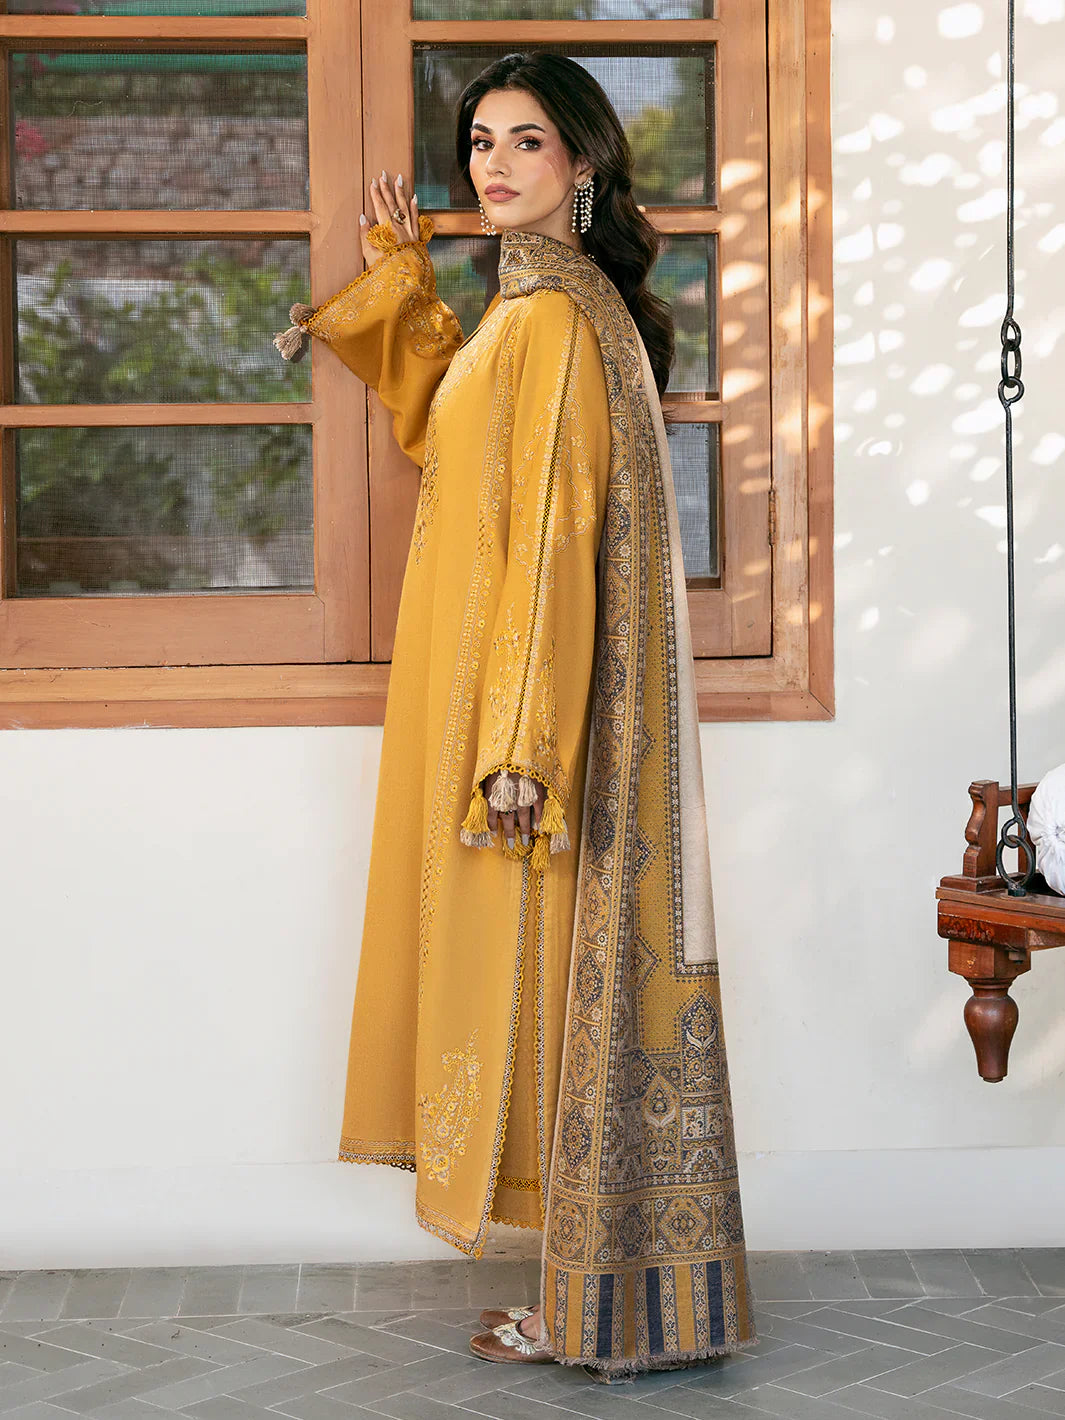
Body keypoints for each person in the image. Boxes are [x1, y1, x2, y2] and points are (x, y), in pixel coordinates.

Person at [274, 50, 755, 1380]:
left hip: (516, 723)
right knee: (560, 999)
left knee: (543, 995)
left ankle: (592, 1307)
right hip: (505, 698)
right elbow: (448, 434)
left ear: (582, 164)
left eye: (526, 141)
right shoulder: (549, 309)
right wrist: (407, 284)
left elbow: (548, 547)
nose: (492, 163)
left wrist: (515, 755)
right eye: (479, 140)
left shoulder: (550, 323)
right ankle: (603, 1299)